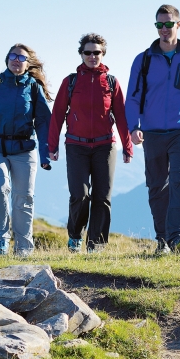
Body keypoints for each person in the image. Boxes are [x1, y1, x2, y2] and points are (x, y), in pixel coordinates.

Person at [48, 33, 132, 253]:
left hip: (105, 146)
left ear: (103, 54)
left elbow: (121, 116)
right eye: (88, 52)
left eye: (97, 52)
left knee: (102, 197)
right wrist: (52, 145)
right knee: (80, 195)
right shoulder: (71, 81)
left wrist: (127, 145)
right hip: (76, 146)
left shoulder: (112, 82)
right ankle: (75, 236)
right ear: (81, 54)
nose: (92, 56)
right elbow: (57, 114)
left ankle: (97, 245)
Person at [0, 44, 52, 256]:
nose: (16, 60)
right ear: (6, 60)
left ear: (27, 63)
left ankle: (23, 248)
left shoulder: (33, 87)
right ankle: (2, 239)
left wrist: (46, 154)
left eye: (21, 57)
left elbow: (43, 122)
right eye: (12, 56)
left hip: (25, 149)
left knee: (24, 197)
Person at [125, 5, 180, 255]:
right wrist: (133, 128)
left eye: (168, 24)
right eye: (159, 25)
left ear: (179, 24)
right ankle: (163, 240)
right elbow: (132, 98)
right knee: (157, 186)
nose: (164, 29)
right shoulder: (143, 59)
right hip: (152, 132)